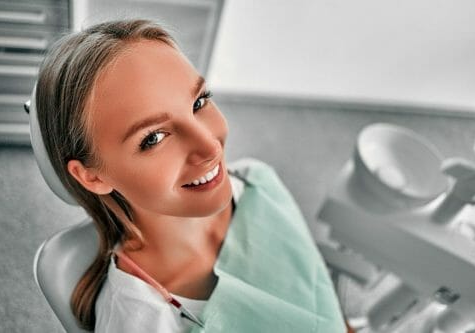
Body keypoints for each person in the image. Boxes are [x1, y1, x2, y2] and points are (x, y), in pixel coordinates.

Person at [35, 19, 346, 332]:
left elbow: (318, 298)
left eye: (199, 102)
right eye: (153, 138)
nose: (210, 146)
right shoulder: (143, 322)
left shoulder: (256, 183)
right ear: (92, 177)